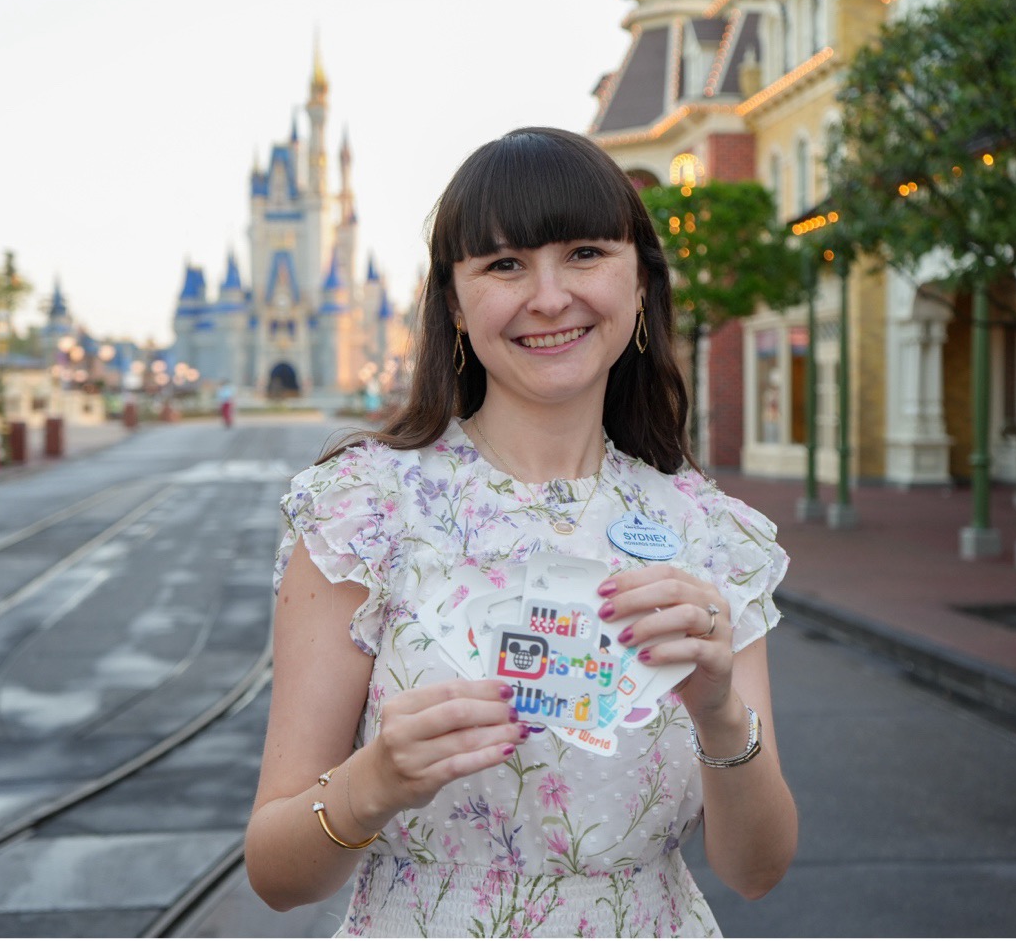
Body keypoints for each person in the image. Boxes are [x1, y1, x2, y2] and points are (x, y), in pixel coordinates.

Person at [245, 127, 797, 937]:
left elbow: (756, 871)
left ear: (640, 282)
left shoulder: (711, 535)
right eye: (504, 265)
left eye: (584, 253)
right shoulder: (363, 514)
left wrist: (718, 712)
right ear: (456, 308)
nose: (547, 296)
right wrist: (374, 784)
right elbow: (276, 874)